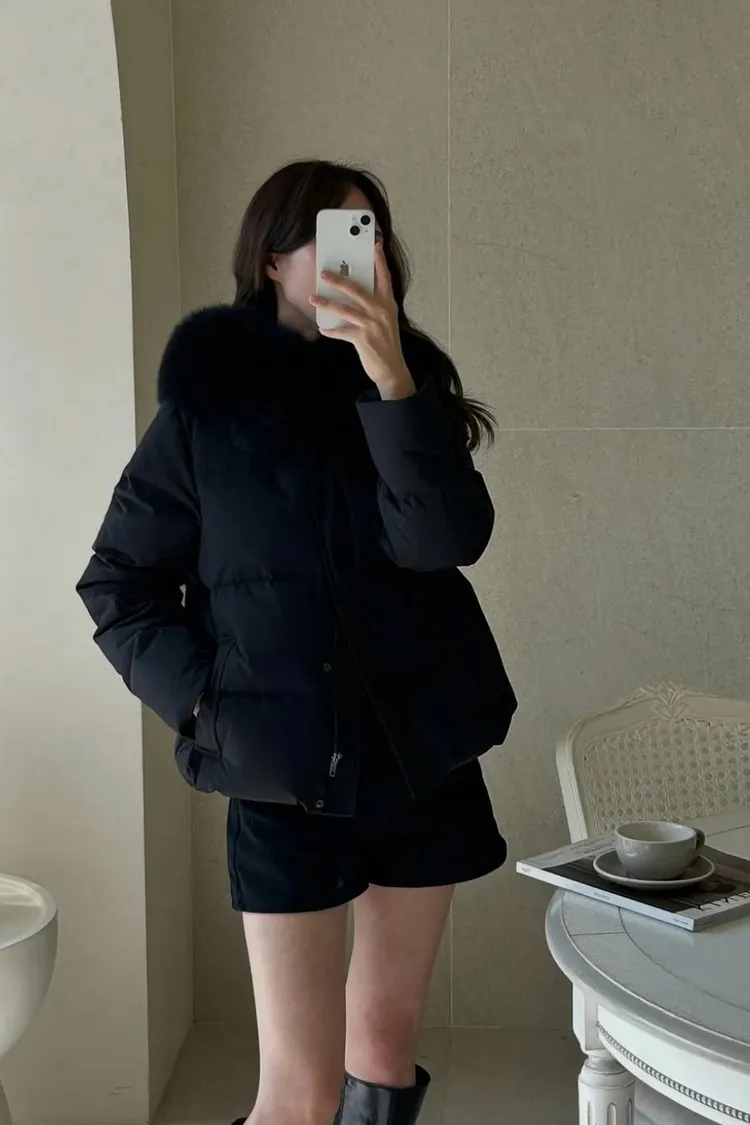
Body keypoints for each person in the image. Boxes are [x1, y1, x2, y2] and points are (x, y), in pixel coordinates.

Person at [77, 160, 517, 1125]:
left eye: (369, 234)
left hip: (420, 756)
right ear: (273, 259)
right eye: (330, 233)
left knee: (384, 1051)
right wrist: (208, 703)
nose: (356, 254)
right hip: (284, 776)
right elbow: (117, 582)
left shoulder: (409, 382)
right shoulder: (207, 409)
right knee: (298, 1094)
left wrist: (392, 379)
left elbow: (446, 541)